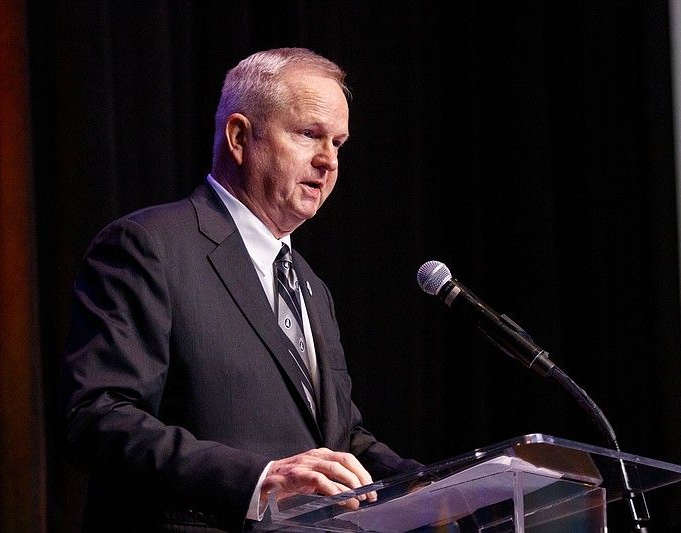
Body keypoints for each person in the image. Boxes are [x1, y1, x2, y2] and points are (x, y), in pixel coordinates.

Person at [61, 47, 422, 533]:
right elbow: (98, 419)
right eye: (310, 134)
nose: (328, 161)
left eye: (339, 143)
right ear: (239, 136)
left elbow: (340, 438)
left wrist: (432, 485)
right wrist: (259, 479)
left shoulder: (310, 286)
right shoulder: (149, 247)